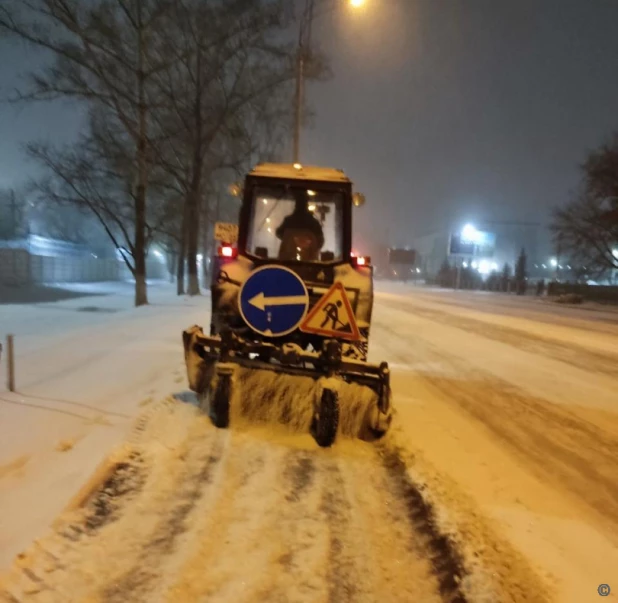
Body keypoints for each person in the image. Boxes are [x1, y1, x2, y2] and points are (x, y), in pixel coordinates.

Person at [276, 189, 324, 261]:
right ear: (307, 205)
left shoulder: (288, 221)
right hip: (310, 263)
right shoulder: (314, 223)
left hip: (287, 262)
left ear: (296, 205)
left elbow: (279, 233)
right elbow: (320, 241)